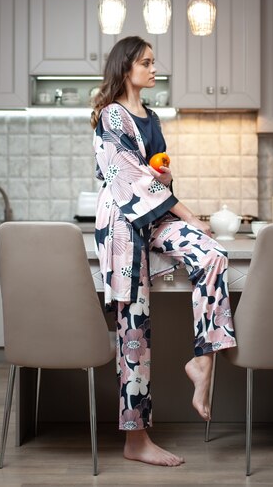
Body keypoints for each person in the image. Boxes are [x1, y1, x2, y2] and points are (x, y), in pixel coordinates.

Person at [91, 36, 236, 467]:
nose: (155, 69)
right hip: (123, 227)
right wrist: (187, 211)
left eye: (155, 62)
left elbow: (154, 179)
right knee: (134, 331)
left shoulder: (151, 117)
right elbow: (132, 183)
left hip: (154, 219)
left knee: (213, 255)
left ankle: (203, 362)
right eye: (147, 63)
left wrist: (167, 178)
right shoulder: (110, 116)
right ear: (126, 68)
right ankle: (137, 440)